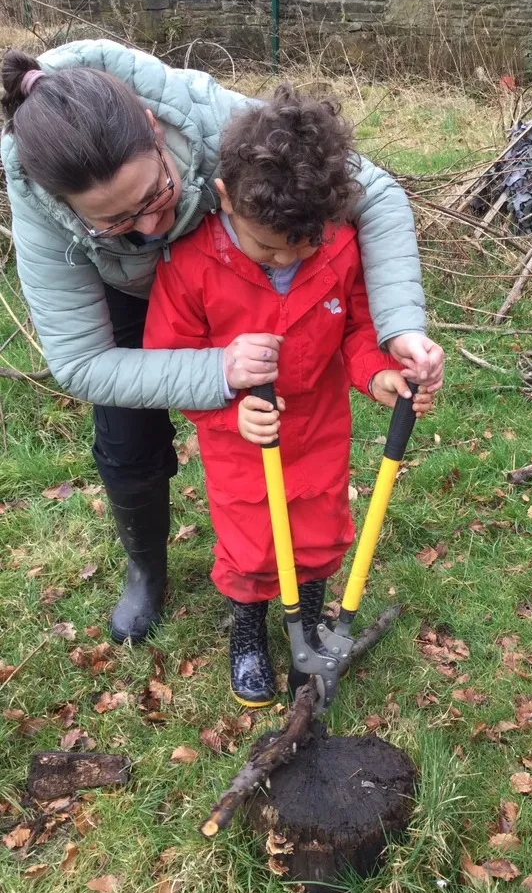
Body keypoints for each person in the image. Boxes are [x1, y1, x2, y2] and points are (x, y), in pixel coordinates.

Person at [1, 40, 443, 647]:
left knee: (310, 507)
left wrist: (399, 329)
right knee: (129, 444)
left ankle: (302, 608)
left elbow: (377, 195)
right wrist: (218, 372)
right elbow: (80, 361)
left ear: (157, 133)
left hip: (240, 282)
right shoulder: (37, 196)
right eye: (116, 220)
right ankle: (148, 568)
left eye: (155, 196)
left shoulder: (220, 122)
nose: (152, 227)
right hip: (133, 294)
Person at [143, 85, 433, 705]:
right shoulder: (189, 264)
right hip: (240, 436)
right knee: (251, 541)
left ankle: (307, 632)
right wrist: (225, 405)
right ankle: (247, 633)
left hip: (320, 424)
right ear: (224, 200)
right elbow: (169, 358)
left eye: (304, 247)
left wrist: (378, 373)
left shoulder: (341, 248)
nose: (286, 258)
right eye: (268, 246)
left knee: (318, 533)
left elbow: (358, 327)